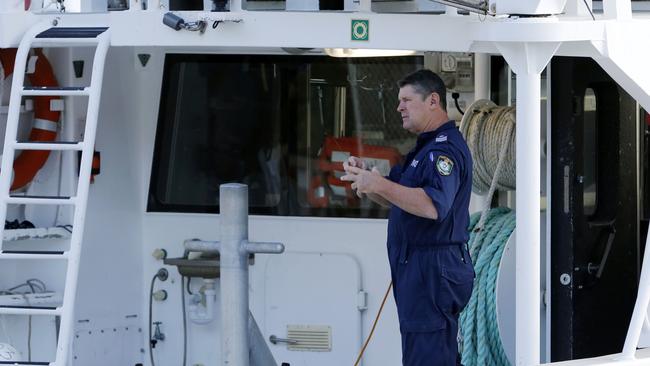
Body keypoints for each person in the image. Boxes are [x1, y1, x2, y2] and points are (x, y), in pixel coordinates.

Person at [341, 69, 474, 366]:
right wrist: (365, 178)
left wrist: (378, 184)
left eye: (406, 99)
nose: (399, 107)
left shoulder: (444, 151)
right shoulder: (422, 149)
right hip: (420, 269)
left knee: (428, 358)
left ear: (433, 101)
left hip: (431, 270)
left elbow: (432, 207)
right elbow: (395, 197)